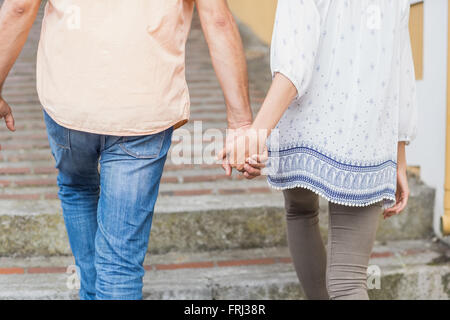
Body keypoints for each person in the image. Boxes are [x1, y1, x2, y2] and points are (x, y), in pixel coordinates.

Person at [0, 0, 252, 300]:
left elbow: (19, 7)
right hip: (144, 108)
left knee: (77, 188)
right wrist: (240, 123)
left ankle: (90, 291)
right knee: (120, 265)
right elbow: (218, 19)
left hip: (69, 102)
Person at [220, 0, 418, 300]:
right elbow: (401, 67)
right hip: (366, 134)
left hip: (306, 124)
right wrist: (399, 155)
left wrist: (256, 133)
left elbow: (294, 64)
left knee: (301, 213)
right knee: (349, 282)